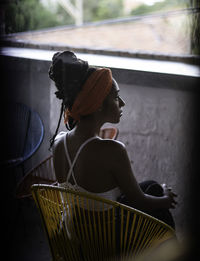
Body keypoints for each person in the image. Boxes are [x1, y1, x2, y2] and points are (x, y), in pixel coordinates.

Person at [49, 50, 177, 230]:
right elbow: (139, 201)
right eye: (116, 97)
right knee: (157, 197)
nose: (122, 103)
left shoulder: (58, 142)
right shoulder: (113, 150)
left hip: (75, 233)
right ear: (98, 104)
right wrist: (166, 199)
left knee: (151, 186)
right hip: (104, 241)